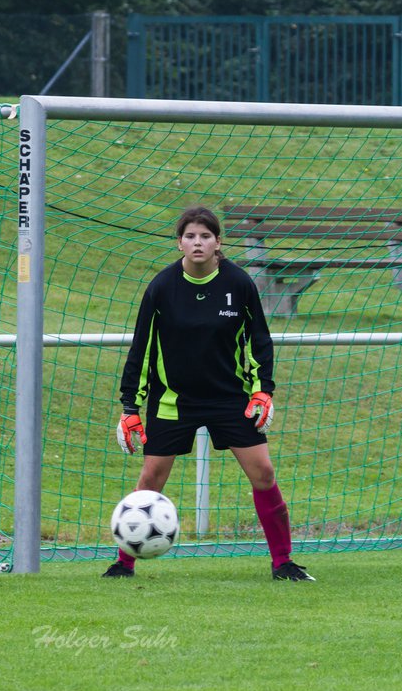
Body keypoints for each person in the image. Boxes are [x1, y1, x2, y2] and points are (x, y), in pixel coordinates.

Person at [109, 205, 314, 581]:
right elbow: (142, 349)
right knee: (150, 480)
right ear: (179, 243)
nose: (198, 242)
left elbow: (259, 343)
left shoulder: (238, 284)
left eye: (205, 236)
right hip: (173, 401)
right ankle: (123, 565)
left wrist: (262, 391)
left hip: (230, 400)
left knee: (264, 474)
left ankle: (283, 563)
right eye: (190, 236)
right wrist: (130, 407)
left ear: (219, 242)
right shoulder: (161, 288)